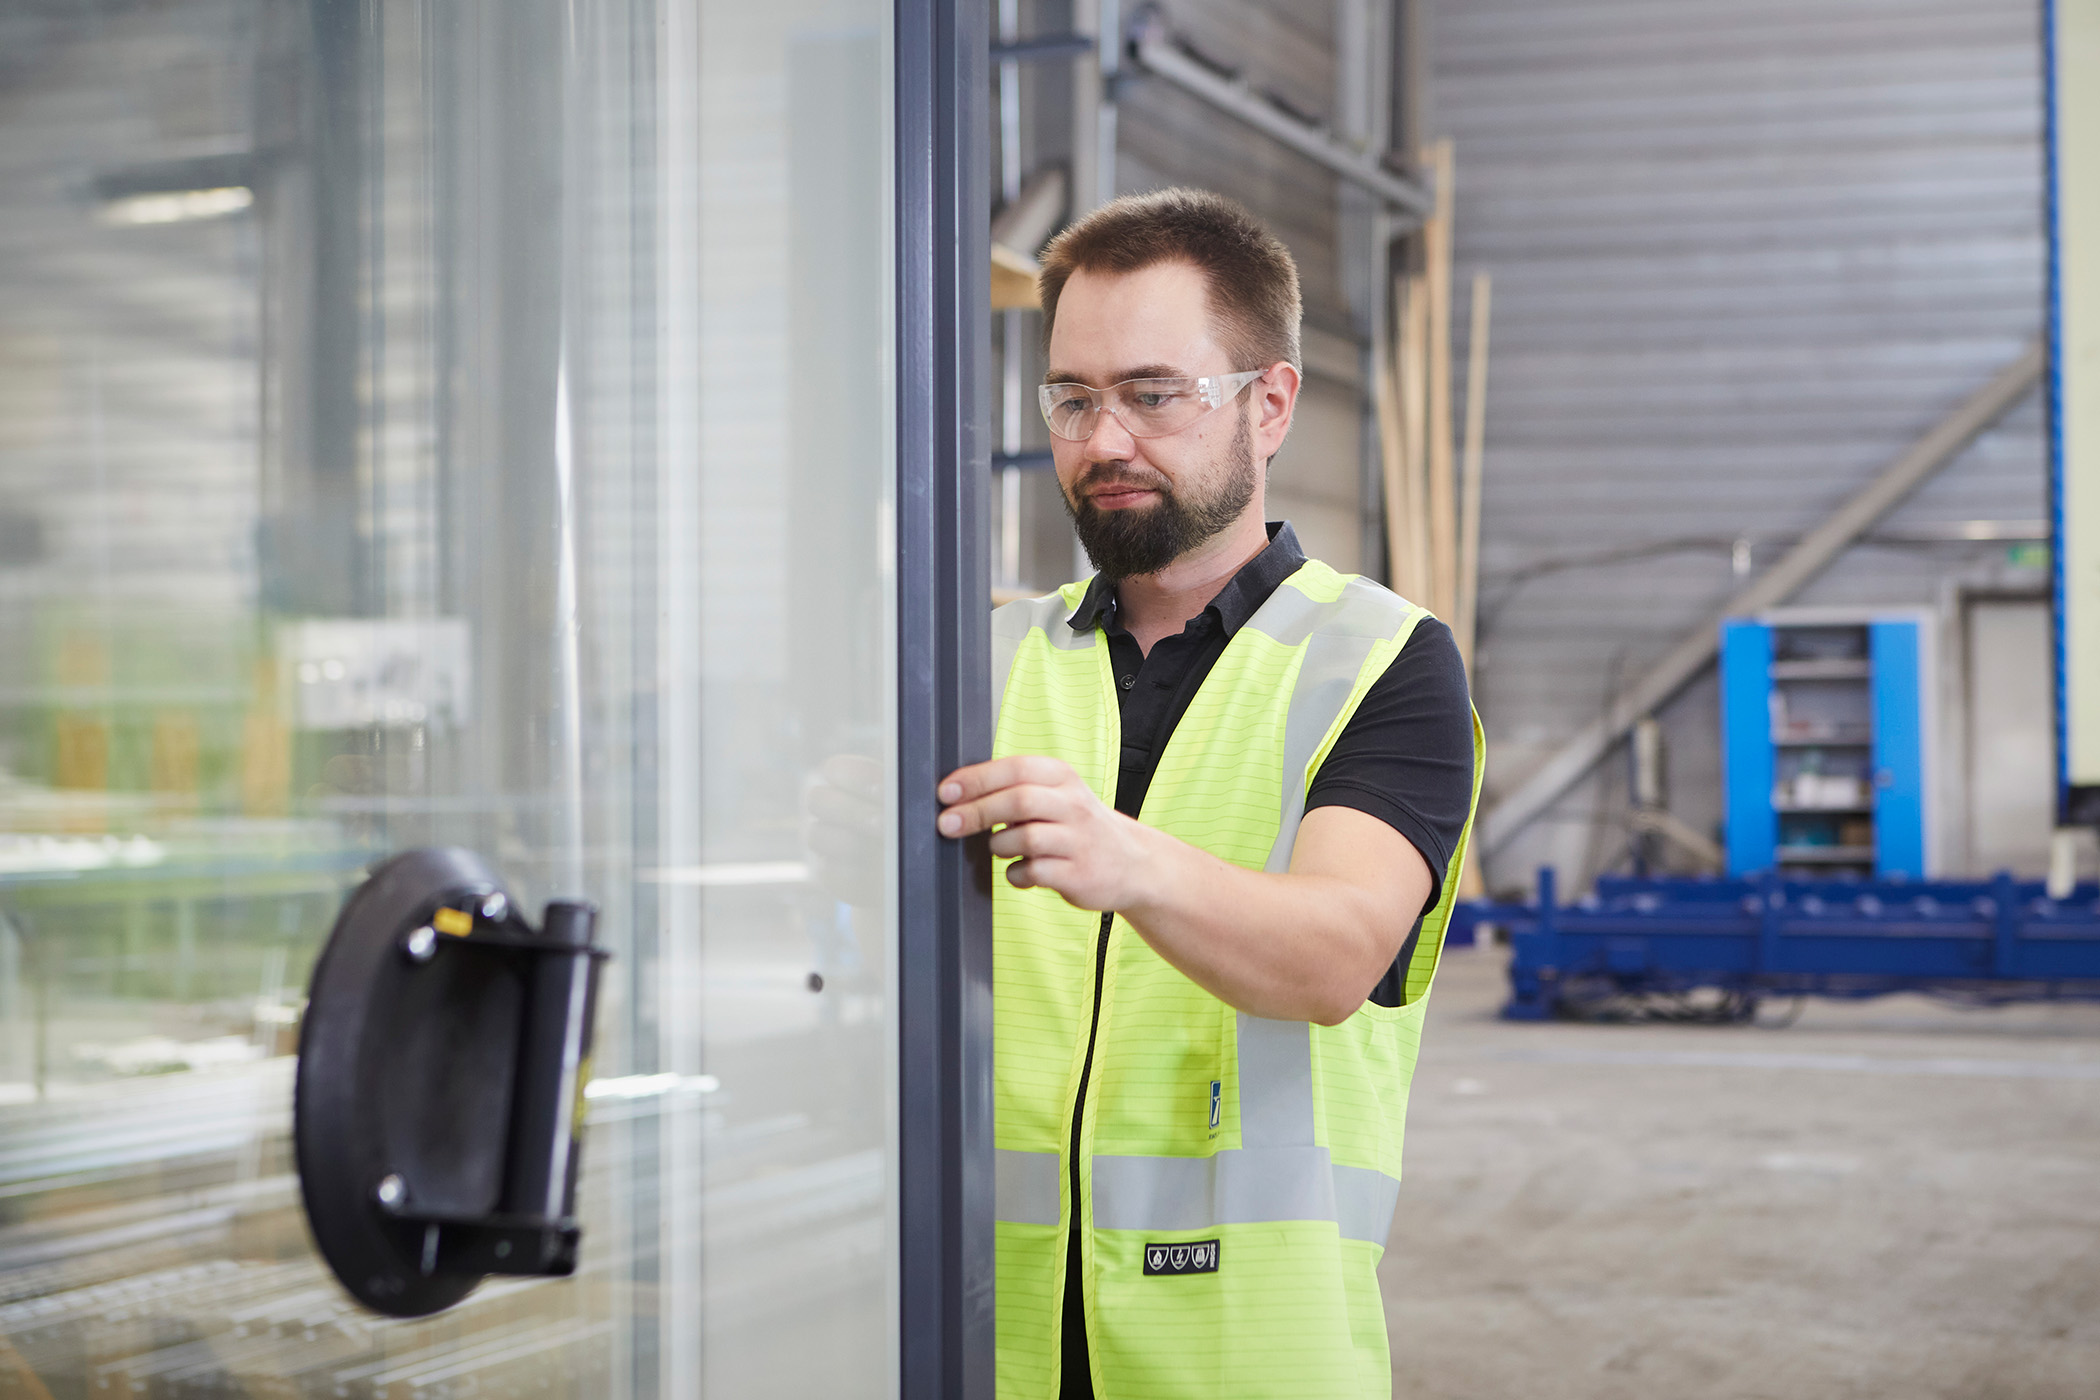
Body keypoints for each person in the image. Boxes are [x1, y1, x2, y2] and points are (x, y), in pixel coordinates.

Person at [935, 188, 1484, 1399]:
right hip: (993, 1342)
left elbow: (1334, 954)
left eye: (1152, 392)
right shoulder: (991, 658)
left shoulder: (1384, 661)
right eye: (1073, 399)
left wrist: (1124, 859)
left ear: (1269, 403)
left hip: (1245, 1354)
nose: (1104, 439)